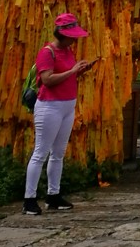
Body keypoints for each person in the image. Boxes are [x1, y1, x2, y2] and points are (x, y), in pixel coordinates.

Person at [24, 12, 98, 213]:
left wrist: (81, 70)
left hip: (67, 105)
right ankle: (29, 199)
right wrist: (73, 71)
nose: (74, 40)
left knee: (58, 153)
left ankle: (53, 194)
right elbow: (47, 80)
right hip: (50, 106)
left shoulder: (68, 51)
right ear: (62, 34)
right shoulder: (47, 52)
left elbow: (67, 76)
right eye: (71, 36)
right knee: (41, 152)